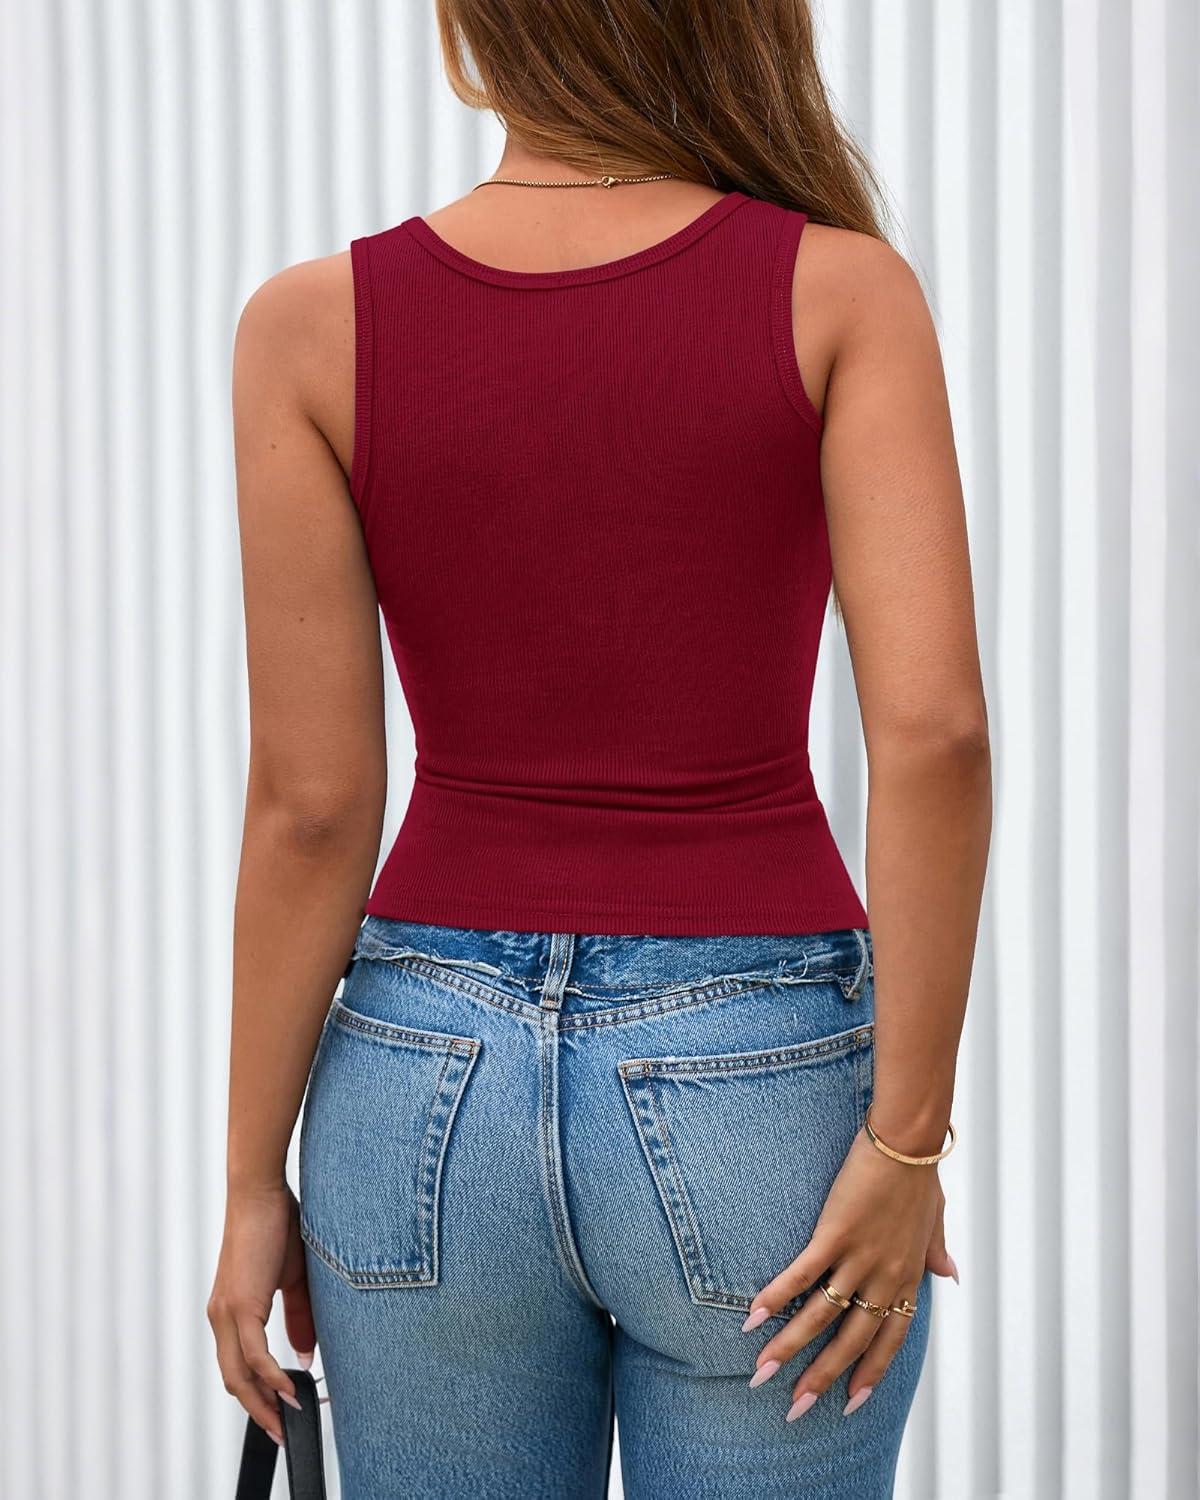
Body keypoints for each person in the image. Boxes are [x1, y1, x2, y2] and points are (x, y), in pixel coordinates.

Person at [206, 2, 991, 1495]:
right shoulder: (838, 291)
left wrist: (252, 1182)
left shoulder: (310, 326)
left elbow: (311, 804)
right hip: (750, 1069)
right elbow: (935, 735)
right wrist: (905, 1148)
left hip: (423, 1082)